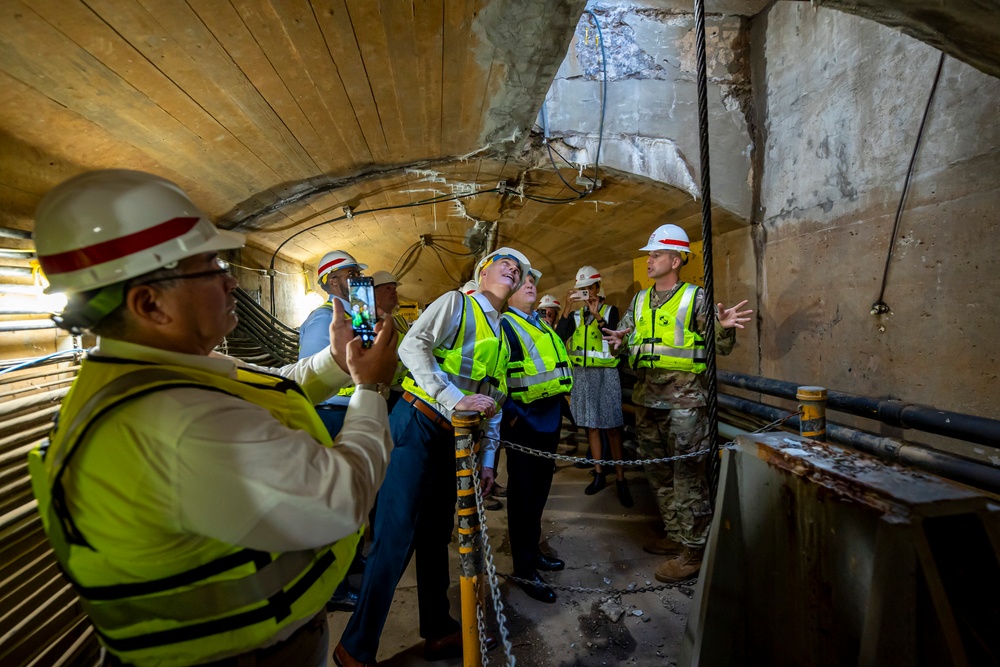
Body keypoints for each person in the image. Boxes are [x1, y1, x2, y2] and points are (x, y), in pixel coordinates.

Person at [27, 170, 398, 667]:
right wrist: (371, 388)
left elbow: (272, 382)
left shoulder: (154, 373)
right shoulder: (173, 420)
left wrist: (338, 361)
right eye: (209, 266)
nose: (230, 280)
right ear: (149, 303)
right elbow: (340, 497)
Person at [334, 248, 529, 667]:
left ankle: (438, 629)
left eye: (520, 269)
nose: (513, 268)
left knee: (434, 537)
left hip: (455, 442)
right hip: (418, 425)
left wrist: (489, 461)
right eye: (504, 262)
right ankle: (355, 647)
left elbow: (493, 400)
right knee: (395, 536)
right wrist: (453, 398)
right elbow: (412, 348)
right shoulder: (456, 303)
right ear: (483, 272)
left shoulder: (505, 332)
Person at [603, 223, 752, 583]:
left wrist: (725, 326)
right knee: (657, 472)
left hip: (685, 405)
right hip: (647, 399)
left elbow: (720, 348)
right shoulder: (639, 300)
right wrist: (619, 344)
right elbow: (626, 338)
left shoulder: (695, 298)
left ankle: (696, 552)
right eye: (650, 254)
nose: (649, 260)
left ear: (676, 259)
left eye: (655, 254)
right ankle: (677, 536)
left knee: (688, 477)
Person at [499, 267, 573, 604]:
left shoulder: (540, 323)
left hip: (548, 418)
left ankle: (533, 551)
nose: (531, 284)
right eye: (523, 281)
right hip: (525, 424)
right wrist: (511, 418)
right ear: (507, 292)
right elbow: (493, 377)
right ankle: (524, 568)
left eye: (533, 281)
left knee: (539, 494)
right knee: (523, 498)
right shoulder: (503, 325)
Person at [556, 265, 632, 507]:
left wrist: (597, 314)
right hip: (583, 376)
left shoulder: (611, 311)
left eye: (589, 288)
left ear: (599, 288)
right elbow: (559, 337)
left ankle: (620, 478)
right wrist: (567, 308)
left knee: (612, 428)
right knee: (591, 426)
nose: (585, 293)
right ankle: (599, 472)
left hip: (606, 376)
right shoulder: (575, 317)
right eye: (581, 289)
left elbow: (613, 335)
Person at [299, 250, 369, 436]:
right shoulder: (323, 319)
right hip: (332, 414)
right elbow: (309, 374)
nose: (358, 280)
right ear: (333, 281)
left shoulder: (359, 316)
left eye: (358, 274)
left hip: (355, 410)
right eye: (352, 275)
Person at [371, 270, 410, 412]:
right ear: (374, 293)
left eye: (394, 288)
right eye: (387, 288)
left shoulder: (400, 320)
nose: (394, 292)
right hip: (382, 392)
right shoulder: (370, 323)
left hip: (402, 389)